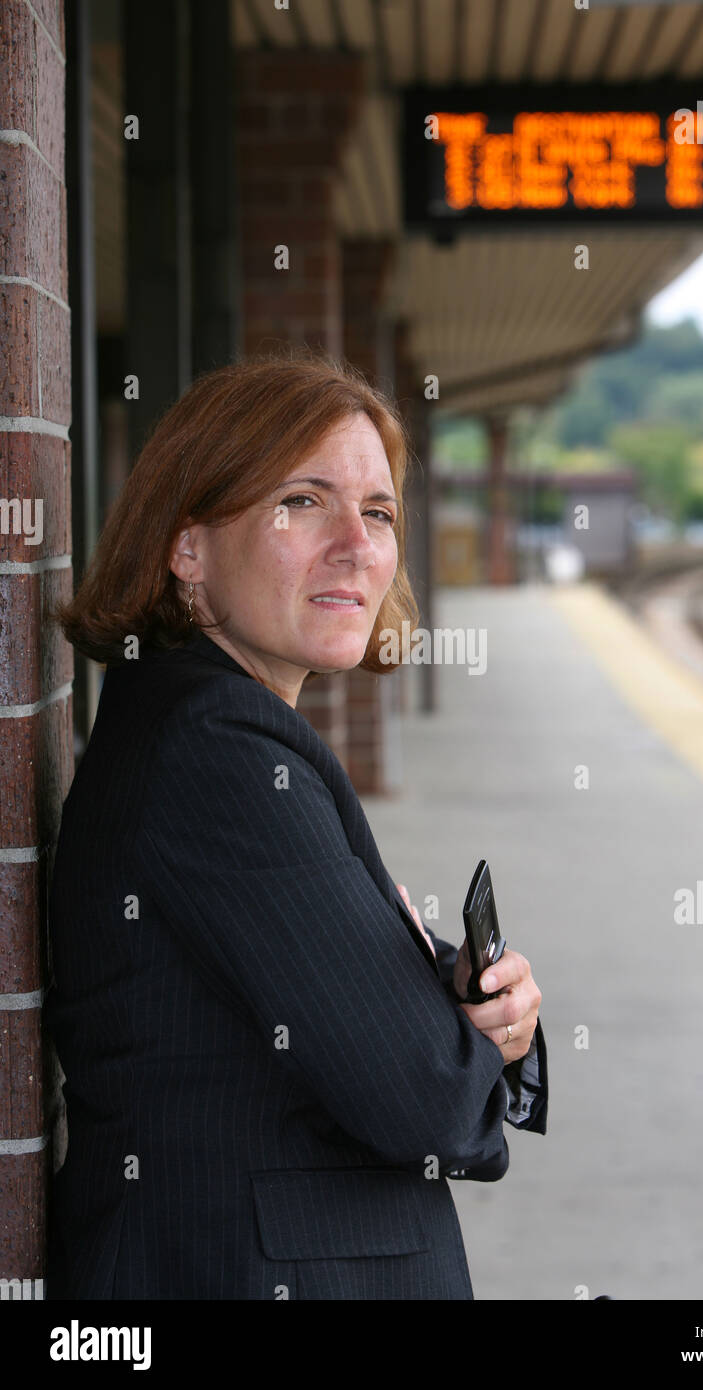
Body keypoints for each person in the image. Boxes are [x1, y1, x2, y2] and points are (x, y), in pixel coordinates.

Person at [43, 351, 547, 1301]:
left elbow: (339, 1006)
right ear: (187, 547)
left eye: (380, 511)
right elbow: (423, 1096)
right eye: (303, 502)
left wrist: (483, 1007)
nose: (357, 544)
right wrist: (486, 1047)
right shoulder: (218, 748)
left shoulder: (204, 724)